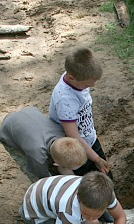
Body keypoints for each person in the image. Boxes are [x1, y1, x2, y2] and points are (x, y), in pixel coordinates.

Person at [0, 106, 113, 224]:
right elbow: (46, 182)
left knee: (63, 173)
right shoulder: (37, 157)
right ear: (56, 163)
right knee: (40, 179)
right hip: (9, 132)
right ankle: (48, 217)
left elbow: (67, 171)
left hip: (30, 114)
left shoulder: (64, 136)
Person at [49, 47, 111, 177]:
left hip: (90, 138)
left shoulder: (76, 77)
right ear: (71, 78)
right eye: (87, 85)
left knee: (106, 176)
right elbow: (74, 136)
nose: (90, 87)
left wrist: (97, 157)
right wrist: (96, 159)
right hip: (76, 150)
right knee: (88, 182)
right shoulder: (65, 100)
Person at [0, 106, 90, 181]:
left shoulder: (61, 132)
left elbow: (63, 166)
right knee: (30, 169)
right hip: (8, 130)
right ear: (56, 164)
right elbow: (44, 179)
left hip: (29, 112)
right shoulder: (38, 157)